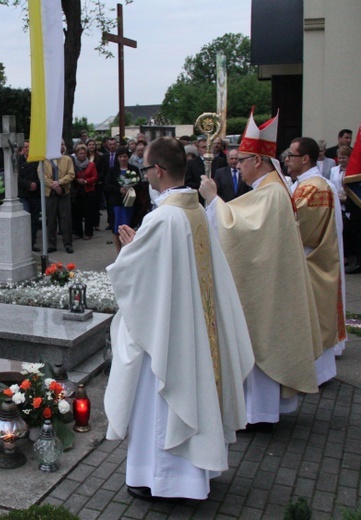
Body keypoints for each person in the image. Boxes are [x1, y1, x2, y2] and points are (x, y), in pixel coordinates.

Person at [105, 136, 254, 502]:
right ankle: (192, 476)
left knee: (162, 405)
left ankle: (161, 480)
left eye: (145, 169)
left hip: (169, 336)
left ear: (157, 170)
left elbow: (140, 280)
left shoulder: (163, 217)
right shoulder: (194, 212)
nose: (144, 176)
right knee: (194, 392)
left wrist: (127, 251)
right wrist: (140, 245)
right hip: (197, 329)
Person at [199, 110, 322, 430]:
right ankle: (258, 412)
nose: (237, 166)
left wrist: (213, 201)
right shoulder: (270, 190)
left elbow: (240, 231)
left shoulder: (272, 194)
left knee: (260, 342)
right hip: (270, 286)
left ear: (258, 160)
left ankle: (259, 414)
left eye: (242, 160)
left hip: (266, 294)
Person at [286, 136, 346, 375]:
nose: (287, 159)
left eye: (291, 155)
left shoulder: (314, 188)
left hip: (312, 259)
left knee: (315, 314)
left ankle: (317, 373)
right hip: (311, 257)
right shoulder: (302, 184)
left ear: (305, 158)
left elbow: (299, 229)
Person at [105, 146, 141, 254]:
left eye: (124, 156)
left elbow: (139, 184)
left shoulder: (134, 169)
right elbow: (107, 185)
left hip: (130, 203)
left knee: (128, 227)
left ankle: (128, 251)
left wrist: (131, 187)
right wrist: (119, 189)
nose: (123, 159)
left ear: (128, 157)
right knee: (116, 229)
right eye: (120, 156)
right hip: (116, 203)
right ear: (117, 158)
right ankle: (118, 252)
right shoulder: (112, 170)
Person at [43, 141, 76, 254]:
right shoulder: (44, 160)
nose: (61, 146)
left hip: (64, 193)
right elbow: (41, 175)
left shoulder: (67, 159)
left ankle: (68, 244)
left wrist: (60, 182)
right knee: (51, 220)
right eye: (59, 143)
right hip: (50, 193)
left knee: (65, 219)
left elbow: (71, 174)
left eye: (62, 144)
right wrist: (53, 185)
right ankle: (52, 244)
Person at [17, 141, 41, 252]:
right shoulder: (19, 161)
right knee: (26, 218)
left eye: (30, 147)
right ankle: (24, 243)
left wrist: (35, 184)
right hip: (24, 194)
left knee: (34, 219)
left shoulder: (37, 160)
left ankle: (32, 242)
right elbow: (16, 177)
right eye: (26, 147)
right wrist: (28, 184)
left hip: (35, 194)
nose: (28, 149)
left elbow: (41, 174)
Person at [71, 143, 98, 240]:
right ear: (77, 154)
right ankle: (78, 232)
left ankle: (88, 232)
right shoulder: (73, 165)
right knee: (77, 213)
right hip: (77, 191)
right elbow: (71, 175)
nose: (82, 155)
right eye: (80, 153)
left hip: (89, 190)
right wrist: (77, 180)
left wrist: (86, 181)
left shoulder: (91, 164)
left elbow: (95, 177)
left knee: (89, 213)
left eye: (84, 153)